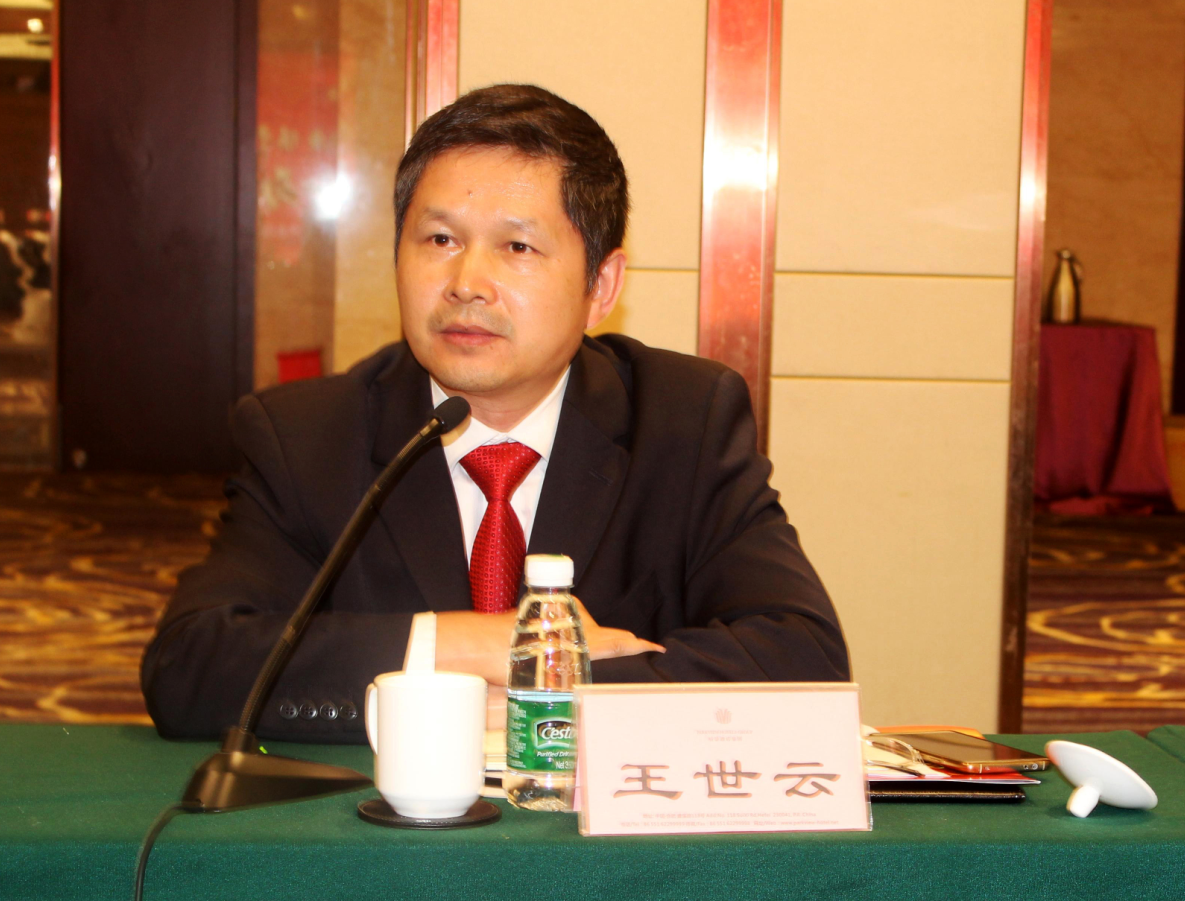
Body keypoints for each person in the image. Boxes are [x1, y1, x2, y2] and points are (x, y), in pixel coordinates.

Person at [141, 84, 849, 742]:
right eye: (439, 240)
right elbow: (191, 665)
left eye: (517, 246)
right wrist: (450, 647)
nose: (466, 283)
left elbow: (802, 657)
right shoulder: (306, 435)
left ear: (601, 286)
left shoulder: (684, 421)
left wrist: (552, 694)